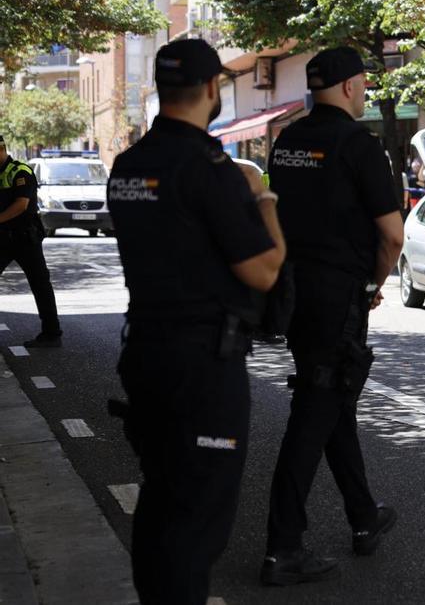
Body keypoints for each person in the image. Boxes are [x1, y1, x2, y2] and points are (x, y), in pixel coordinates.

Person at [107, 38, 286, 604]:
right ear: (213, 89)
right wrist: (264, 201)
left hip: (145, 352)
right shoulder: (212, 168)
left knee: (162, 496)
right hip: (203, 363)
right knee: (198, 513)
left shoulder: (128, 165)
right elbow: (263, 270)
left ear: (160, 90)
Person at [261, 47, 407, 585]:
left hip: (293, 294)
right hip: (339, 294)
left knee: (331, 398)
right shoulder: (358, 145)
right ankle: (282, 546)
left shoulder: (288, 141)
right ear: (348, 87)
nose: (366, 92)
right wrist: (374, 282)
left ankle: (364, 517)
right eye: (364, 84)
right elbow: (392, 234)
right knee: (316, 407)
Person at [0, 134, 62, 348]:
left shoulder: (21, 171)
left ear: (1, 150)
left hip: (25, 238)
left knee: (40, 283)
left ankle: (52, 333)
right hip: (2, 238)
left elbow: (21, 204)